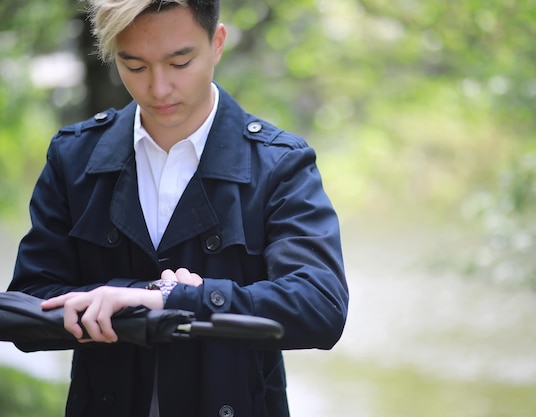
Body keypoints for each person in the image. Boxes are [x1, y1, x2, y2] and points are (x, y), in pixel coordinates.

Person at [8, 1, 349, 416]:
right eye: (134, 67)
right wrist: (143, 298)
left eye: (180, 62)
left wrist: (185, 299)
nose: (158, 88)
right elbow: (27, 305)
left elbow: (320, 307)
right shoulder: (74, 156)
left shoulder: (278, 163)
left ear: (217, 43)